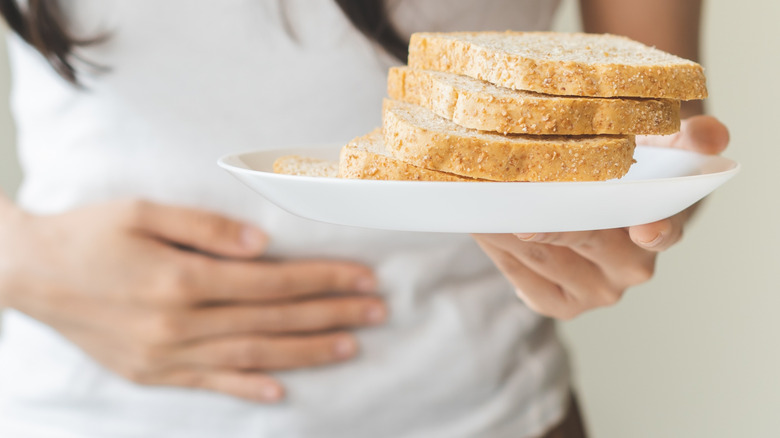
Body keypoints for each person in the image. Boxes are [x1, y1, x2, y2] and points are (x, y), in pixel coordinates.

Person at [0, 0, 728, 437]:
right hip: (75, 408)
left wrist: (643, 198)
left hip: (483, 412)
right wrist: (20, 262)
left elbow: (660, 116)